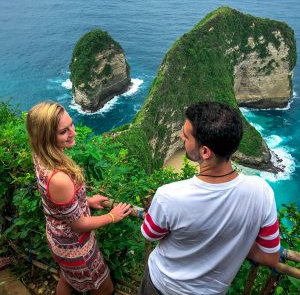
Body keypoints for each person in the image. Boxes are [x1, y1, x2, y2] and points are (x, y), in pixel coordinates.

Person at [138, 102, 280, 295]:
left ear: (205, 151)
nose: (180, 136)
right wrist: (234, 242)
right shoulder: (262, 191)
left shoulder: (169, 196)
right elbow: (270, 258)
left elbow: (149, 234)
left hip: (162, 286)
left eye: (186, 135)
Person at [26, 101, 131, 295]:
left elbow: (58, 204)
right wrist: (112, 216)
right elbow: (78, 224)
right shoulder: (59, 178)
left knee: (67, 277)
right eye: (63, 131)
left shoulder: (41, 156)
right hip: (75, 246)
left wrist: (86, 201)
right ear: (46, 137)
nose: (73, 133)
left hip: (58, 238)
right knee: (104, 288)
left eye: (71, 125)